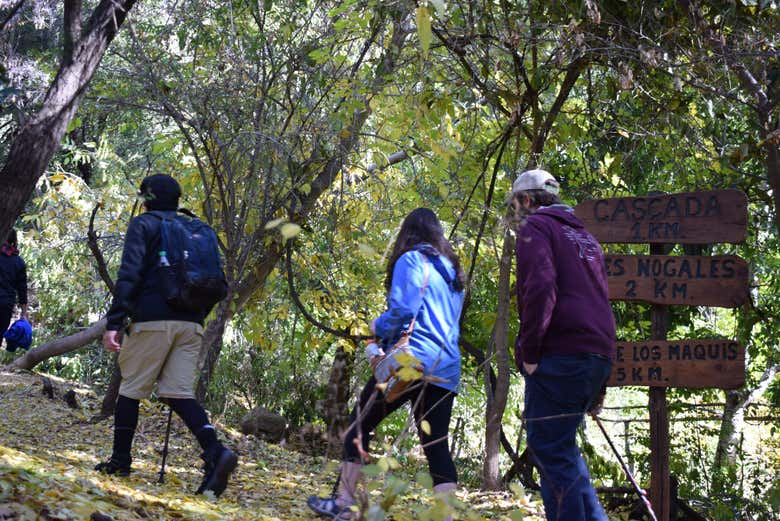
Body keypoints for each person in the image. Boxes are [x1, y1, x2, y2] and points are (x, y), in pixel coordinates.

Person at [307, 208, 466, 520]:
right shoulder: (453, 272)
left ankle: (344, 506)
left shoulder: (411, 260)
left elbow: (403, 310)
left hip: (411, 360)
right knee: (436, 446)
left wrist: (378, 328)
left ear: (407, 233)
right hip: (446, 367)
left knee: (357, 425)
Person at [95, 174, 237, 498]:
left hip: (153, 320)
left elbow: (129, 274)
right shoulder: (197, 228)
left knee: (131, 389)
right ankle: (216, 452)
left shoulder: (144, 224)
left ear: (147, 199)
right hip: (191, 325)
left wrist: (114, 322)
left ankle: (120, 461)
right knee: (179, 392)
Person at [510, 168, 616, 521]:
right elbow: (600, 301)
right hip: (595, 355)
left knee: (550, 451)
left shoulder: (536, 228)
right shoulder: (586, 238)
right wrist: (600, 377)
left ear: (527, 200)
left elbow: (540, 288)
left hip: (560, 354)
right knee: (563, 452)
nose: (514, 214)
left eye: (515, 205)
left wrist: (530, 352)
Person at [0, 229, 28, 351]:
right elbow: (22, 290)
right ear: (15, 241)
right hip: (5, 305)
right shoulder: (19, 262)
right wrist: (24, 313)